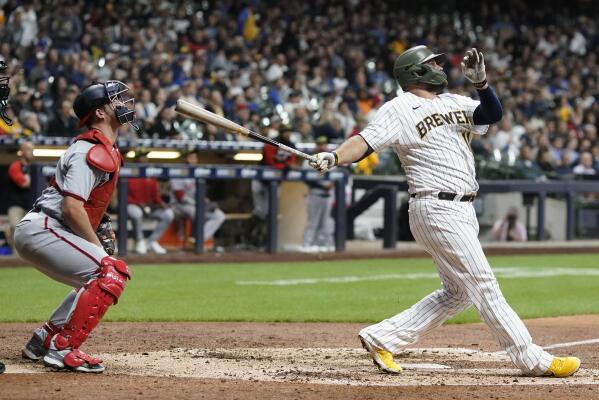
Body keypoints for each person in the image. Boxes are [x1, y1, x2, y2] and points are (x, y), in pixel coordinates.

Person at [310, 46, 580, 378]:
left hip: (463, 209)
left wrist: (482, 83)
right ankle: (531, 358)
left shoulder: (453, 102)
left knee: (458, 293)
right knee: (483, 284)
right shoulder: (398, 109)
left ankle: (383, 337)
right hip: (435, 205)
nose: (441, 66)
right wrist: (334, 157)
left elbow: (490, 114)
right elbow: (364, 141)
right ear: (415, 71)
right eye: (433, 62)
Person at [13, 81, 136, 373]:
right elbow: (71, 207)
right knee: (111, 272)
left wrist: (98, 226)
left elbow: (84, 204)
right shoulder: (89, 150)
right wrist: (95, 246)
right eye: (115, 101)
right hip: (45, 227)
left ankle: (43, 340)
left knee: (94, 279)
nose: (124, 104)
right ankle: (63, 349)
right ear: (100, 113)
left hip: (46, 228)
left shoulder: (105, 148)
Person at [248, 125, 297, 246]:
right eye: (286, 131)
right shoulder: (272, 142)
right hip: (260, 180)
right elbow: (270, 161)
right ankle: (250, 235)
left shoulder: (291, 145)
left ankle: (264, 239)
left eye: (289, 131)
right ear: (281, 132)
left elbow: (292, 161)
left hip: (275, 182)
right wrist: (284, 165)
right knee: (259, 211)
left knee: (271, 212)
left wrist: (284, 164)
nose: (288, 134)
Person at [170, 151, 225, 247]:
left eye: (195, 158)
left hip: (195, 205)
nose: (194, 160)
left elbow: (200, 192)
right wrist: (198, 203)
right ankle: (196, 239)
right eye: (191, 158)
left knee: (219, 215)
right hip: (179, 205)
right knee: (196, 212)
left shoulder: (198, 172)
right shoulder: (178, 172)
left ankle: (199, 240)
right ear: (185, 159)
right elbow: (180, 196)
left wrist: (206, 202)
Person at [127, 158, 174, 254]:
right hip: (133, 205)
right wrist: (139, 204)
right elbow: (126, 197)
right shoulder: (130, 176)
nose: (143, 165)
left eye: (145, 163)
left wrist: (162, 204)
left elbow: (155, 197)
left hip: (149, 207)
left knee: (168, 214)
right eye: (141, 163)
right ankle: (139, 241)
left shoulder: (151, 179)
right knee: (137, 213)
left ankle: (152, 241)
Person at [302, 136, 334, 252]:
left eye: (324, 144)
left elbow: (337, 176)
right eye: (320, 144)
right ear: (316, 146)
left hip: (328, 195)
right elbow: (305, 178)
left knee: (325, 222)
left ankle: (321, 245)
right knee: (313, 222)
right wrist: (322, 186)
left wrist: (332, 185)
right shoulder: (309, 160)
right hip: (315, 194)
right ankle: (307, 244)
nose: (322, 146)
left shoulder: (331, 159)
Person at [7, 141, 34, 249]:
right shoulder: (16, 166)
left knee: (31, 232)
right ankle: (15, 259)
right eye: (28, 149)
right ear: (21, 151)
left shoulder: (34, 168)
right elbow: (24, 184)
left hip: (31, 206)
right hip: (16, 205)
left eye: (32, 150)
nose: (31, 152)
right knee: (15, 227)